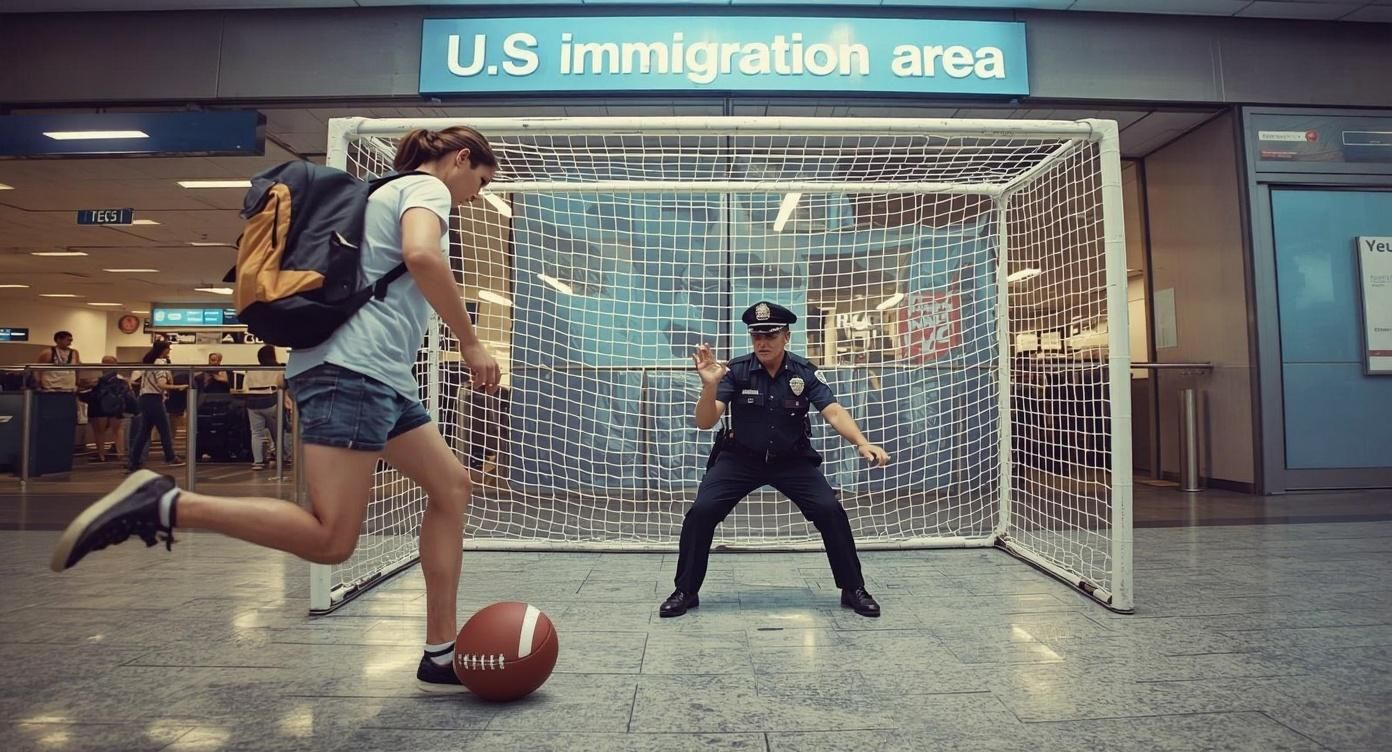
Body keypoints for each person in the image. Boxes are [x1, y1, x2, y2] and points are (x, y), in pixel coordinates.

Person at [51, 125, 501, 694]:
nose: (473, 196)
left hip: (380, 378)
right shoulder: (427, 189)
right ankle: (168, 503)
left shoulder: (381, 191)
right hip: (351, 373)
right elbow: (420, 254)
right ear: (462, 158)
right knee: (333, 541)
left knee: (452, 488)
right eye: (479, 182)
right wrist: (469, 341)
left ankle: (440, 651)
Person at [660, 301, 890, 619]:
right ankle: (685, 590)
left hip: (791, 459)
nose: (762, 343)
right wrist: (709, 386)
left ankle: (853, 588)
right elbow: (705, 420)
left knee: (830, 511)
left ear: (786, 337)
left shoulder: (803, 372)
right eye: (756, 336)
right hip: (740, 458)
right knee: (701, 512)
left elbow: (833, 411)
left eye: (770, 335)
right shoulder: (735, 372)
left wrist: (861, 442)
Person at [127, 340, 187, 472]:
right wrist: (179, 387)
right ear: (163, 350)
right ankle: (170, 457)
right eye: (168, 348)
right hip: (154, 399)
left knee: (143, 432)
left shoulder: (149, 363)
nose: (170, 350)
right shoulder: (160, 364)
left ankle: (134, 460)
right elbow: (162, 384)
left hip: (144, 398)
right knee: (164, 429)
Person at [244, 345, 289, 471]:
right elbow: (282, 383)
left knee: (256, 433)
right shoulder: (278, 368)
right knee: (277, 432)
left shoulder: (251, 369)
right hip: (271, 399)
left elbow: (245, 386)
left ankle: (257, 461)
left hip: (252, 401)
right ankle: (282, 457)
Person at [84, 356, 134, 464]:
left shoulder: (97, 381)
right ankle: (120, 454)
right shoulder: (122, 380)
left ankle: (101, 455)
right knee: (118, 431)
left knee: (99, 432)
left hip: (99, 408)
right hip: (116, 408)